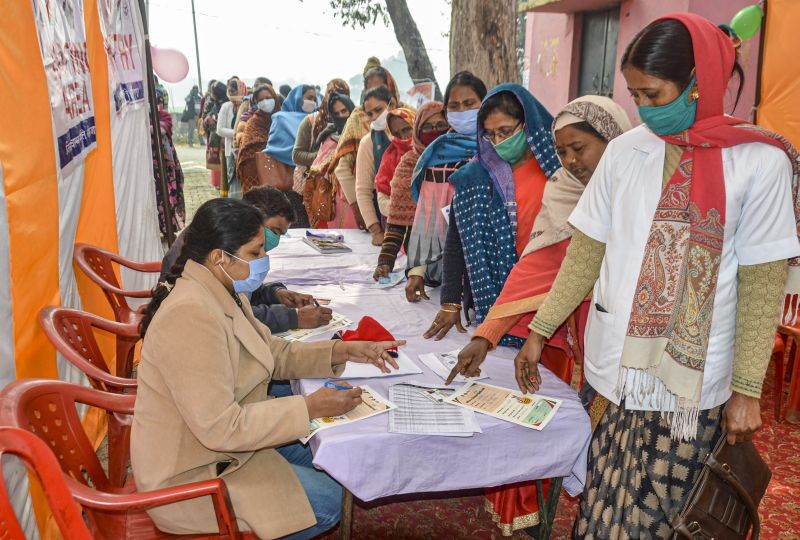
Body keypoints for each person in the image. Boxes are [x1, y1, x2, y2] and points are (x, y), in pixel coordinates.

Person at [510, 14, 800, 538]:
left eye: (654, 94)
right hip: (613, 376)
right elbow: (585, 254)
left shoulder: (760, 162)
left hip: (690, 391)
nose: (643, 109)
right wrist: (539, 330)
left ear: (698, 82)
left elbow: (762, 284)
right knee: (601, 514)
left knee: (667, 523)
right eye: (634, 95)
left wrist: (747, 390)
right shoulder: (625, 151)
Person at [132, 197, 403, 539]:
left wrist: (342, 351)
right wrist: (309, 406)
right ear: (220, 257)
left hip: (226, 449)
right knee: (329, 502)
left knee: (336, 461)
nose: (264, 261)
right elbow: (221, 428)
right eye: (256, 252)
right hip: (195, 474)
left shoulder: (221, 289)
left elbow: (269, 352)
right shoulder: (191, 315)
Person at [443, 95, 632, 537]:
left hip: (643, 336)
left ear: (614, 139)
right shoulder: (565, 188)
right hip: (587, 329)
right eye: (562, 151)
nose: (570, 161)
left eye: (579, 149)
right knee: (595, 431)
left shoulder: (646, 188)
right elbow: (543, 266)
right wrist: (487, 335)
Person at [423, 83, 560, 342]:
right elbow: (457, 238)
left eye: (506, 131)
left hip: (549, 294)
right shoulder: (476, 175)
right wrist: (450, 300)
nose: (498, 142)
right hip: (497, 296)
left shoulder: (554, 167)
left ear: (527, 123)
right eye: (490, 134)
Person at [159, 186, 332, 333]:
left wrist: (275, 294)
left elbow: (241, 294)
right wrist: (292, 318)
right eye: (256, 253)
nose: (265, 256)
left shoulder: (232, 248)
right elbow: (233, 314)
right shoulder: (218, 244)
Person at [404, 71, 487, 302]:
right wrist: (417, 271)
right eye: (454, 106)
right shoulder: (438, 155)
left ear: (485, 103)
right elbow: (427, 214)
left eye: (469, 104)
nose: (462, 111)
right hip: (448, 271)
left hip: (491, 267)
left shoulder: (502, 147)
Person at [373, 101, 445, 281]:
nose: (434, 131)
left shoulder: (466, 158)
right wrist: (385, 261)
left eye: (441, 125)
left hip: (460, 263)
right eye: (427, 127)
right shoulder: (407, 165)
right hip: (419, 266)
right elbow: (396, 221)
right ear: (418, 131)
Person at [330, 60, 403, 231]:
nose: (374, 91)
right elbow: (342, 168)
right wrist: (358, 208)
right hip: (371, 196)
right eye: (369, 87)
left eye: (380, 86)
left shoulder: (407, 116)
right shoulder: (358, 117)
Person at [353, 85, 404, 245]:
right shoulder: (369, 143)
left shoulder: (414, 131)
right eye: (370, 114)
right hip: (388, 216)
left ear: (393, 104)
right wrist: (376, 231)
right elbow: (363, 190)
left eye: (379, 109)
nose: (375, 116)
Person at [262, 84, 319, 227]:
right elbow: (274, 146)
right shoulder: (280, 118)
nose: (312, 102)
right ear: (298, 98)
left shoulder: (317, 119)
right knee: (292, 224)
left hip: (311, 181)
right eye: (308, 98)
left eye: (314, 99)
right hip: (286, 181)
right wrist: (304, 155)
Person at [303, 92, 357, 228]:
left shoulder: (362, 133)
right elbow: (316, 167)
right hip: (333, 199)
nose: (341, 116)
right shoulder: (328, 137)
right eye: (336, 113)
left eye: (344, 111)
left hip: (357, 195)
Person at [292, 79, 350, 171]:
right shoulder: (312, 121)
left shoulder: (353, 121)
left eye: (342, 94)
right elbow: (297, 155)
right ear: (326, 96)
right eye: (331, 93)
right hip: (316, 179)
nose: (336, 98)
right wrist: (324, 156)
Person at [151, 86, 186, 237]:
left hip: (164, 167)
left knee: (166, 196)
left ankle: (168, 229)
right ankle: (159, 228)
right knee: (155, 196)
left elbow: (162, 130)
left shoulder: (163, 117)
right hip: (152, 167)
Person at [236, 84, 280, 193]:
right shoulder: (253, 122)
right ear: (256, 103)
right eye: (261, 100)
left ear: (275, 98)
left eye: (268, 98)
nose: (265, 102)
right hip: (256, 173)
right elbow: (246, 151)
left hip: (281, 174)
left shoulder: (282, 119)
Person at [374, 107, 416, 218]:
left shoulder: (429, 150)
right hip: (398, 224)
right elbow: (382, 197)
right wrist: (402, 210)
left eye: (407, 129)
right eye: (396, 134)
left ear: (416, 125)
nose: (403, 137)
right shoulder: (390, 157)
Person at [216, 77, 247, 198]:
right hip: (231, 149)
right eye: (230, 92)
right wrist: (237, 133)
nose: (232, 94)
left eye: (234, 91)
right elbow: (220, 130)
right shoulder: (226, 107)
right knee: (232, 178)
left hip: (245, 149)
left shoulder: (248, 105)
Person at [202, 80, 228, 189]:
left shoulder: (227, 105)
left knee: (225, 167)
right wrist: (208, 120)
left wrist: (210, 121)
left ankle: (223, 186)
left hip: (226, 140)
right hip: (220, 140)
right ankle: (221, 186)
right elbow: (207, 117)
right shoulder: (216, 104)